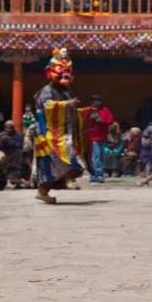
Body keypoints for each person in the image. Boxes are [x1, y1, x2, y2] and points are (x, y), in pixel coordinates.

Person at [32, 49, 90, 204]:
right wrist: (66, 104)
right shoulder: (46, 91)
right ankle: (45, 189)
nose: (65, 77)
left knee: (65, 162)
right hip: (49, 134)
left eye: (67, 74)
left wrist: (82, 112)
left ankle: (52, 186)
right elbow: (47, 106)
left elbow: (69, 109)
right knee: (53, 163)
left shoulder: (65, 91)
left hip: (63, 134)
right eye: (61, 74)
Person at [87, 94, 115, 184]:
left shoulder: (105, 110)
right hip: (92, 136)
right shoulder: (88, 110)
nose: (95, 102)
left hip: (102, 136)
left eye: (97, 101)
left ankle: (97, 174)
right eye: (93, 101)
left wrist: (101, 120)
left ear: (100, 102)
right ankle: (97, 175)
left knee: (101, 156)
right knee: (96, 156)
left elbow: (110, 121)